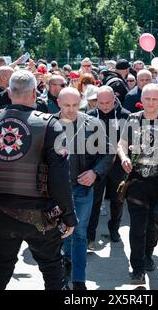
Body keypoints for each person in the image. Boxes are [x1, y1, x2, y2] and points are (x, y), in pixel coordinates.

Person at [0, 70, 77, 290]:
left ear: (9, 93)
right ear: (35, 93)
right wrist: (68, 215)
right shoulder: (50, 125)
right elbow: (59, 178)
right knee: (54, 271)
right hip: (40, 216)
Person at [118, 83, 158, 284]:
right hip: (137, 182)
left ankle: (147, 254)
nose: (151, 103)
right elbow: (120, 144)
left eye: (155, 99)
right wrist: (123, 157)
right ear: (142, 99)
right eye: (147, 99)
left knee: (155, 225)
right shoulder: (133, 119)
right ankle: (137, 268)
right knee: (138, 226)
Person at [53, 87, 114, 290]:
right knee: (60, 232)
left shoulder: (92, 124)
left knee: (79, 232)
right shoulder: (46, 124)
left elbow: (108, 153)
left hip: (82, 189)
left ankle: (79, 280)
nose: (71, 110)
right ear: (58, 104)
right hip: (55, 192)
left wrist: (94, 173)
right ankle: (66, 263)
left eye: (75, 105)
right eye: (66, 105)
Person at [86, 86, 131, 248]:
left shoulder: (125, 116)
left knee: (118, 200)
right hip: (96, 165)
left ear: (114, 99)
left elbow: (129, 140)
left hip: (118, 165)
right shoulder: (89, 116)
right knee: (95, 202)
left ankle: (114, 229)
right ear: (96, 101)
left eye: (108, 102)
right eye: (101, 102)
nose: (105, 106)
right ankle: (90, 235)